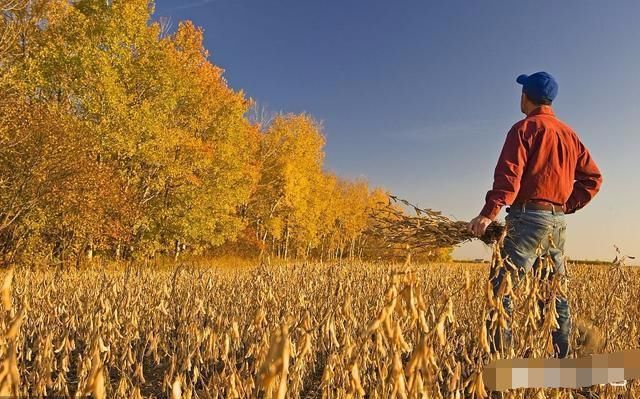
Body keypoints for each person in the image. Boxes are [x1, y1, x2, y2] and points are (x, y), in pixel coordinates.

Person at [467, 71, 603, 359]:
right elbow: (593, 179)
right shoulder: (569, 135)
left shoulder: (524, 129)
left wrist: (488, 214)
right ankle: (565, 363)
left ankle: (500, 371)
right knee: (555, 296)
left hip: (527, 219)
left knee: (500, 293)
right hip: (556, 224)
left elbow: (509, 177)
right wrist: (565, 206)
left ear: (525, 96)